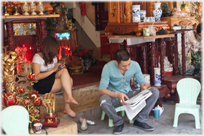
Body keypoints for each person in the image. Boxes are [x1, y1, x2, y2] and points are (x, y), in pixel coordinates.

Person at [99, 49, 159, 134]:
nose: (127, 68)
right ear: (116, 62)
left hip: (129, 95)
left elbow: (142, 82)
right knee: (103, 100)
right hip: (114, 98)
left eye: (129, 64)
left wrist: (143, 86)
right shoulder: (108, 67)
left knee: (154, 91)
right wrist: (117, 94)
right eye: (124, 66)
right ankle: (119, 123)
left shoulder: (135, 65)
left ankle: (140, 121)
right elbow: (101, 90)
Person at [32, 36, 78, 118]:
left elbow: (54, 71)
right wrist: (53, 70)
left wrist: (58, 68)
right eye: (55, 48)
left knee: (64, 71)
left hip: (50, 78)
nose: (57, 50)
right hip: (41, 83)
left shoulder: (54, 57)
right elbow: (36, 77)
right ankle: (67, 106)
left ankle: (69, 98)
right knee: (69, 81)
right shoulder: (37, 57)